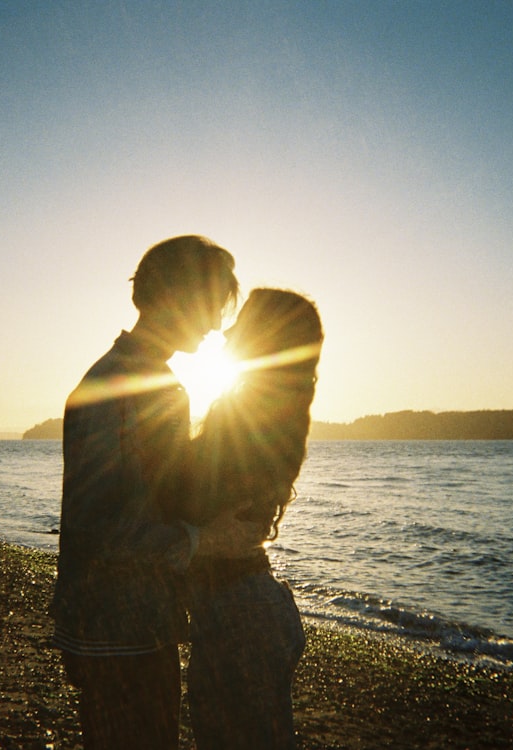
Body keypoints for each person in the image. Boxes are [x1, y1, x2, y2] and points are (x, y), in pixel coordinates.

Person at [50, 235, 264, 750]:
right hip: (117, 635)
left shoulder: (151, 382)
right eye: (212, 305)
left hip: (135, 625)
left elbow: (150, 497)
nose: (216, 324)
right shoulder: (124, 386)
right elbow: (100, 530)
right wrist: (206, 542)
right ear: (176, 296)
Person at [184, 288, 323, 750]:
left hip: (240, 612)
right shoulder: (268, 413)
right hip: (240, 605)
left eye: (240, 324)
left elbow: (186, 496)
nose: (226, 332)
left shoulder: (253, 418)